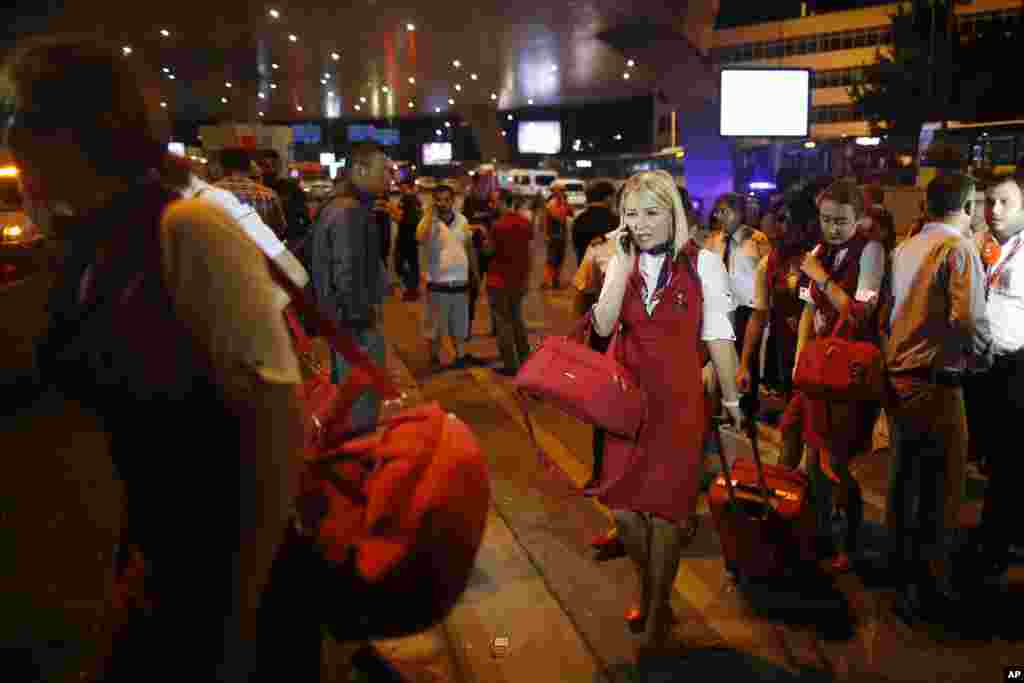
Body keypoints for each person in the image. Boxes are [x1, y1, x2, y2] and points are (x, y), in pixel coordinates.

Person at [8, 38, 315, 681]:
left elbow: (276, 430)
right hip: (159, 574)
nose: (11, 135)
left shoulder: (187, 230)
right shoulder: (89, 249)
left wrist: (238, 617)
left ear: (74, 131)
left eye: (22, 114)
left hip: (230, 591)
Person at [589, 171, 741, 656]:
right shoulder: (621, 261)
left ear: (673, 213)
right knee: (626, 514)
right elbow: (603, 324)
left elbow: (718, 335)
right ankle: (651, 589)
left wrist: (734, 400)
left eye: (652, 212)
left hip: (679, 407)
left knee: (668, 518)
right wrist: (619, 265)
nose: (642, 223)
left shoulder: (706, 265)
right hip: (627, 407)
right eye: (632, 214)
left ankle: (656, 611)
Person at [883, 172, 992, 622]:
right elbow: (968, 319)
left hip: (899, 378)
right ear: (967, 207)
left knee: (905, 482)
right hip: (935, 382)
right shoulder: (957, 249)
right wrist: (984, 358)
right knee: (942, 489)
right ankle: (931, 588)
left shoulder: (906, 247)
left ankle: (902, 580)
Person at [792, 179, 887, 573]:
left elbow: (858, 312)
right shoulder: (820, 251)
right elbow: (807, 314)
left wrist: (821, 276)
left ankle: (849, 542)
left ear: (859, 218)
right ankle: (817, 534)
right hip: (818, 367)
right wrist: (799, 363)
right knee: (809, 456)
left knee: (840, 461)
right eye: (826, 219)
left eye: (840, 221)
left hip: (849, 371)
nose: (831, 227)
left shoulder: (871, 252)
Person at [961, 170, 1024, 582]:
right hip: (981, 368)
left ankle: (995, 544)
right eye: (989, 201)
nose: (995, 209)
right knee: (991, 457)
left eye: (1005, 202)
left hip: (1016, 365)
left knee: (1009, 459)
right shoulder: (983, 248)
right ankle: (998, 532)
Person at [309, 143, 390, 433]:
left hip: (340, 325)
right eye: (384, 171)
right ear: (359, 169)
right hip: (354, 327)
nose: (389, 179)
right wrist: (361, 319)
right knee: (361, 408)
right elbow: (347, 272)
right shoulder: (349, 211)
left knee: (348, 402)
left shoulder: (335, 205)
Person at [737, 183, 821, 441]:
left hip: (823, 353)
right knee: (793, 427)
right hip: (787, 354)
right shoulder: (770, 262)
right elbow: (758, 315)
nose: (779, 227)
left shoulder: (823, 256)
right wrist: (744, 365)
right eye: (778, 219)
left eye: (786, 219)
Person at [706, 192, 772, 419]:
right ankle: (725, 409)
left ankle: (747, 411)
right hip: (721, 308)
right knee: (722, 358)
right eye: (718, 211)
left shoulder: (757, 239)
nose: (720, 216)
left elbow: (767, 275)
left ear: (740, 212)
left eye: (725, 211)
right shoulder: (713, 240)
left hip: (748, 309)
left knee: (747, 358)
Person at [417, 184, 478, 369]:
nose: (443, 203)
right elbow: (420, 237)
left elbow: (468, 247)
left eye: (446, 199)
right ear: (433, 201)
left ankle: (460, 356)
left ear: (453, 201)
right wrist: (429, 215)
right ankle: (434, 358)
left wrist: (474, 274)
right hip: (438, 282)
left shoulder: (462, 220)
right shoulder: (428, 223)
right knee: (435, 326)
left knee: (460, 324)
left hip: (460, 281)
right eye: (439, 199)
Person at [486, 192, 533, 376]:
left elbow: (489, 250)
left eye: (496, 202)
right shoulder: (525, 224)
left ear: (505, 203)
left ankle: (510, 365)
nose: (493, 205)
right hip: (518, 281)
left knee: (503, 323)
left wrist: (482, 239)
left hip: (498, 280)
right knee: (517, 321)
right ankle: (525, 359)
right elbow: (528, 252)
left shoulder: (498, 226)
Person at [215, 148, 288, 240]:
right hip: (257, 251)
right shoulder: (268, 195)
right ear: (249, 167)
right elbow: (279, 230)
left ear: (221, 167)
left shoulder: (208, 193)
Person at [463, 190, 499, 339]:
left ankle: (497, 327)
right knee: (472, 292)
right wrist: (477, 228)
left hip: (492, 254)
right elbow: (462, 226)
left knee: (495, 292)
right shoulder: (470, 204)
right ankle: (466, 329)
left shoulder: (497, 211)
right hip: (476, 253)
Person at [257, 149, 311, 244]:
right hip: (262, 242)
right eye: (266, 166)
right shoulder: (255, 190)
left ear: (279, 166)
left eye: (273, 165)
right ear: (259, 167)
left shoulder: (292, 188)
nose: (270, 169)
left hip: (288, 242)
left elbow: (304, 217)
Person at [571, 181, 619, 266]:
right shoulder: (614, 220)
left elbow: (576, 247)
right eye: (613, 197)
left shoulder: (579, 220)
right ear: (607, 198)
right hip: (607, 272)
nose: (613, 201)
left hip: (585, 271)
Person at [395, 180, 423, 300]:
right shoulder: (416, 199)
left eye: (402, 186)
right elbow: (420, 213)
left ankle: (411, 288)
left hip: (405, 235)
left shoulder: (405, 199)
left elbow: (399, 217)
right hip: (414, 235)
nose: (400, 188)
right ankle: (413, 289)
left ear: (406, 186)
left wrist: (390, 211)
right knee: (413, 263)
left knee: (399, 263)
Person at [543, 187, 573, 289]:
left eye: (563, 191)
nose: (563, 193)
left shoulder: (563, 204)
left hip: (561, 237)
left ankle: (555, 280)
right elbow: (547, 220)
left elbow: (571, 213)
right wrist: (546, 235)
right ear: (555, 193)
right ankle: (548, 281)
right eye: (561, 191)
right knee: (551, 259)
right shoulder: (551, 205)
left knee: (560, 259)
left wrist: (566, 204)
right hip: (553, 236)